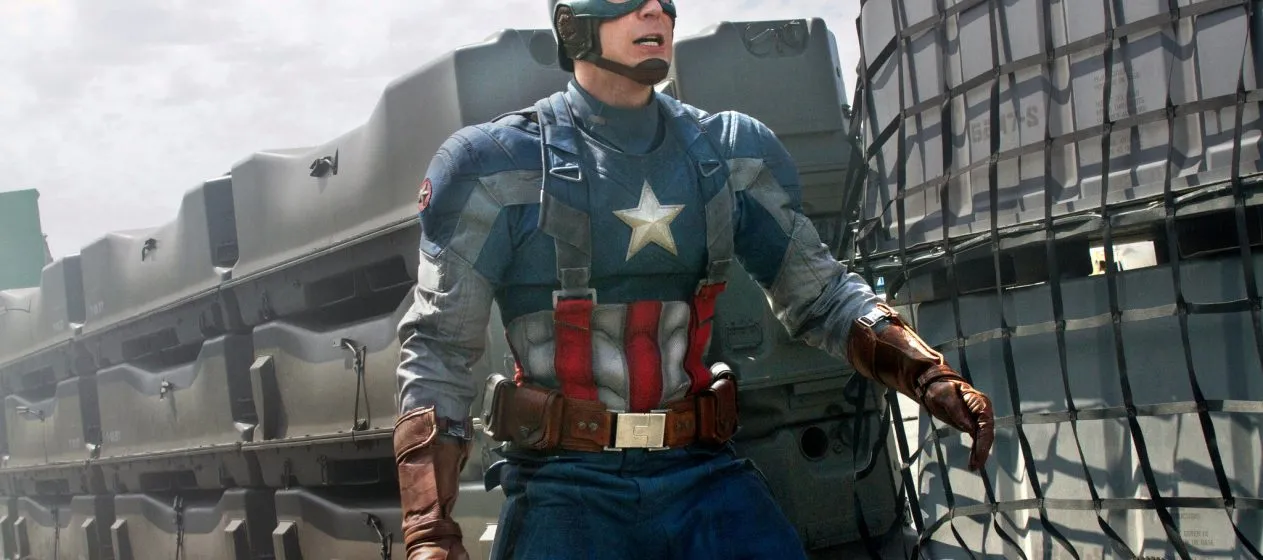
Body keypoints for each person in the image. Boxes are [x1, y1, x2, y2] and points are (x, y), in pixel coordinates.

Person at [391, 1, 996, 558]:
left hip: (701, 473)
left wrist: (927, 375)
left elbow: (821, 294)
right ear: (571, 22)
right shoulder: (494, 165)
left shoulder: (730, 152)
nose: (655, 10)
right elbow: (439, 347)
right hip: (563, 484)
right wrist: (428, 530)